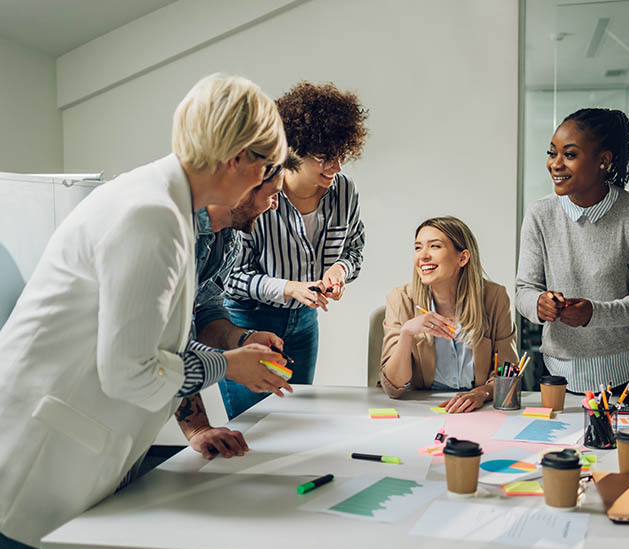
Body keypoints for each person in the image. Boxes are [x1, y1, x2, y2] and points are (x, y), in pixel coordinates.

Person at [0, 73, 288, 549]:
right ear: (239, 159)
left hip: (84, 447)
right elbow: (130, 369)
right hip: (43, 460)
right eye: (266, 169)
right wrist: (230, 365)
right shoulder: (151, 215)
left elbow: (151, 345)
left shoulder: (165, 205)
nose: (263, 183)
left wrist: (231, 355)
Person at [221, 81, 368, 419]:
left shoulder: (345, 191)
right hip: (248, 319)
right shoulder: (257, 192)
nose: (337, 167)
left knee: (296, 424)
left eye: (341, 155)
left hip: (304, 325)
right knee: (254, 426)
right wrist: (288, 288)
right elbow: (232, 279)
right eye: (325, 158)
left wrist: (340, 270)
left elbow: (355, 248)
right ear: (294, 151)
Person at [516, 108, 629, 396]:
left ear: (603, 160)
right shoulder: (539, 214)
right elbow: (524, 289)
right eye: (552, 153)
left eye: (569, 155)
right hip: (558, 372)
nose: (555, 164)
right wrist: (538, 303)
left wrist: (594, 314)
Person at [178, 159, 299, 460]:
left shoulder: (230, 238)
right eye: (271, 194)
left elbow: (206, 313)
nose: (273, 206)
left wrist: (242, 339)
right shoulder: (177, 233)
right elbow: (166, 349)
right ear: (245, 186)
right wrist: (229, 364)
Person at [381, 216, 518, 414]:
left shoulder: (495, 297)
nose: (423, 256)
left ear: (462, 258)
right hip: (420, 410)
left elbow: (508, 373)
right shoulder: (400, 299)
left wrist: (483, 393)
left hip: (480, 411)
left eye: (434, 246)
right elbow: (392, 387)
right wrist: (406, 334)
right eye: (418, 248)